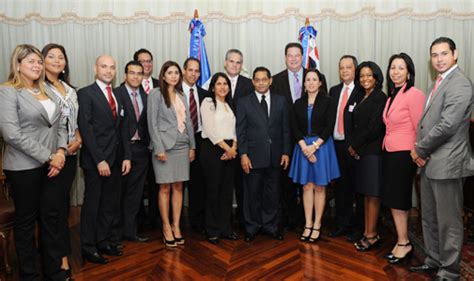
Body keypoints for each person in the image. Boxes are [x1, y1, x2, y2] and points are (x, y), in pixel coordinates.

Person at [0, 44, 68, 280]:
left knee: (50, 218)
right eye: (31, 62)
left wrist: (60, 152)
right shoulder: (8, 91)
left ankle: (54, 270)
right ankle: (29, 274)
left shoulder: (47, 91)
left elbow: (60, 125)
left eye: (39, 62)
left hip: (52, 166)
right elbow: (12, 134)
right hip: (23, 167)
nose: (37, 66)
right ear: (18, 65)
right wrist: (49, 156)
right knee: (26, 222)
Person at [409, 37, 473, 280]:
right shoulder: (439, 82)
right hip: (430, 163)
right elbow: (428, 123)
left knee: (449, 222)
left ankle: (450, 271)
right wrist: (422, 152)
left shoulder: (460, 84)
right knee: (430, 217)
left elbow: (447, 126)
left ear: (455, 54)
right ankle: (434, 259)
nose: (439, 59)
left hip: (448, 163)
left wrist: (419, 150)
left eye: (444, 53)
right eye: (434, 55)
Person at [78, 55, 132, 264]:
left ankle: (103, 241)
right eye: (104, 67)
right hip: (96, 161)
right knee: (93, 205)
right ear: (95, 68)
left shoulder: (117, 94)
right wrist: (99, 159)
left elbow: (123, 129)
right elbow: (87, 129)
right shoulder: (86, 93)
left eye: (112, 67)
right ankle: (88, 247)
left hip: (117, 160)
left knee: (110, 204)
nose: (108, 71)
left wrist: (127, 156)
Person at [236, 66, 290, 242]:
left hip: (275, 156)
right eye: (257, 80)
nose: (260, 83)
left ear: (270, 80)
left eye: (264, 79)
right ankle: (252, 227)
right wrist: (243, 154)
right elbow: (241, 131)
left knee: (272, 194)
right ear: (253, 82)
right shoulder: (244, 102)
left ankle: (271, 226)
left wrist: (285, 152)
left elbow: (285, 129)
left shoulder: (281, 101)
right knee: (252, 194)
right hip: (252, 157)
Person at [42, 43, 81, 279]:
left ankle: (63, 257)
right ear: (42, 60)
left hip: (71, 155)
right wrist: (57, 152)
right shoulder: (39, 88)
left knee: (62, 208)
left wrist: (79, 139)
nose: (57, 60)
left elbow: (75, 122)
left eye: (61, 57)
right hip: (50, 157)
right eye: (51, 56)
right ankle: (55, 263)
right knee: (51, 211)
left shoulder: (69, 89)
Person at [381, 53, 425, 264]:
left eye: (401, 68)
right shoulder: (391, 94)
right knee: (393, 198)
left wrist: (419, 153)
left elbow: (420, 127)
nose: (396, 72)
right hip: (390, 152)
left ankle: (404, 242)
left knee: (399, 199)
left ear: (409, 72)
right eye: (393, 68)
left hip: (405, 153)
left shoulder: (414, 94)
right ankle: (401, 240)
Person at [147, 61, 196, 247]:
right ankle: (166, 227)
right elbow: (152, 123)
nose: (174, 76)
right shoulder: (155, 94)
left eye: (176, 72)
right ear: (163, 75)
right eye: (170, 72)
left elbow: (189, 123)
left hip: (182, 146)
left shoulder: (181, 95)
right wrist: (158, 148)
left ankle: (176, 226)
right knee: (164, 188)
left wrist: (192, 146)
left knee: (178, 187)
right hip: (164, 147)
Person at [289, 68, 340, 243]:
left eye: (314, 79)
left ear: (320, 82)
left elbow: (329, 126)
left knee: (319, 186)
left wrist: (314, 147)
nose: (311, 82)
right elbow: (294, 127)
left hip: (322, 147)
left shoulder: (328, 101)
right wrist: (305, 148)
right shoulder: (298, 103)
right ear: (304, 83)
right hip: (303, 147)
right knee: (306, 187)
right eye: (308, 79)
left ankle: (317, 224)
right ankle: (307, 224)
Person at [349, 61, 387, 252]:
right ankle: (367, 231)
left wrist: (355, 145)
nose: (365, 78)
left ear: (376, 77)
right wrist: (355, 147)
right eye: (362, 75)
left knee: (373, 195)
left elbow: (374, 128)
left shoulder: (380, 97)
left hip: (373, 153)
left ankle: (372, 236)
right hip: (363, 153)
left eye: (368, 75)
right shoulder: (362, 96)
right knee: (365, 194)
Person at [328, 55, 365, 241]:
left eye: (348, 67)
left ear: (355, 69)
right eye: (341, 67)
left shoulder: (362, 90)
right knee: (341, 187)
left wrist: (356, 145)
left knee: (357, 187)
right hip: (336, 145)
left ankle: (358, 228)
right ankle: (342, 224)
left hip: (354, 147)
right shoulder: (334, 91)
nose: (344, 71)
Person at [200, 72, 239, 244]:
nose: (222, 87)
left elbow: (235, 129)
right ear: (213, 87)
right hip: (213, 149)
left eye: (225, 84)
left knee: (226, 193)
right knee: (213, 191)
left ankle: (225, 228)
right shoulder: (208, 102)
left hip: (230, 150)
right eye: (219, 84)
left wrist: (234, 148)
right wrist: (227, 149)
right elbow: (210, 130)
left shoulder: (230, 104)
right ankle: (212, 229)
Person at [272, 42, 306, 230]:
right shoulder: (275, 80)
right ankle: (288, 220)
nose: (293, 59)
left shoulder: (315, 77)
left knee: (306, 182)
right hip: (284, 139)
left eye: (297, 55)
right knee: (286, 182)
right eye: (290, 55)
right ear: (285, 57)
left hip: (308, 140)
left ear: (302, 57)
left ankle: (305, 220)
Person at [115, 60, 150, 242]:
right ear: (125, 75)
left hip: (141, 151)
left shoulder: (146, 96)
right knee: (118, 193)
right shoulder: (116, 94)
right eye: (132, 73)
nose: (136, 76)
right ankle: (115, 233)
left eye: (139, 73)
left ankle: (130, 231)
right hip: (121, 152)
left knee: (135, 195)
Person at [223, 49, 254, 228]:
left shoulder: (249, 84)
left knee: (244, 186)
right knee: (224, 186)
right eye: (232, 61)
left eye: (238, 62)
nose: (234, 65)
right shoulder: (217, 82)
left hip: (243, 143)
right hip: (223, 144)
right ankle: (225, 222)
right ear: (225, 63)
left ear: (241, 66)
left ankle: (244, 221)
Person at [182, 57, 210, 234]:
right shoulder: (173, 92)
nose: (193, 74)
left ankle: (196, 221)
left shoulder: (204, 94)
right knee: (176, 184)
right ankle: (174, 222)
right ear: (184, 71)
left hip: (199, 141)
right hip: (178, 142)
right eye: (190, 70)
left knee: (198, 184)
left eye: (197, 71)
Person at [133, 48, 160, 230]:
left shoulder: (162, 84)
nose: (146, 64)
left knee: (158, 184)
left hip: (160, 145)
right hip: (139, 146)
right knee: (137, 186)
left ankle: (156, 220)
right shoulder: (128, 85)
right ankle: (138, 221)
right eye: (142, 61)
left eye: (149, 60)